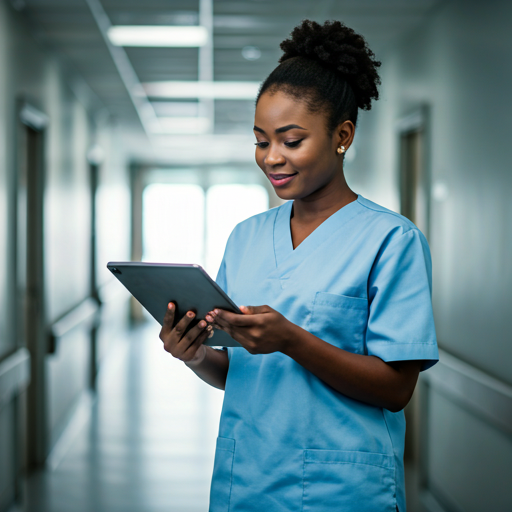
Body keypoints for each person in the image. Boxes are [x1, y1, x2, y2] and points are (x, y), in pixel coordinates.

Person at [159, 19, 438, 512]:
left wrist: (293, 340)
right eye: (261, 140)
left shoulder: (391, 240)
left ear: (342, 135)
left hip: (341, 490)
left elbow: (396, 388)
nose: (271, 158)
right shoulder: (245, 237)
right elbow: (234, 373)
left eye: (291, 140)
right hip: (244, 482)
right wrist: (194, 352)